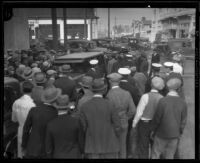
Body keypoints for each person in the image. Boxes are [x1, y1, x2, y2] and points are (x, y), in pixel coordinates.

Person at [79, 79, 120, 159]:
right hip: (110, 144)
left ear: (92, 90)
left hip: (92, 145)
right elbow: (117, 125)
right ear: (104, 90)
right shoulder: (110, 104)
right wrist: (115, 136)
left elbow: (83, 127)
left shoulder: (85, 106)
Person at [151, 78, 187, 159]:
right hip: (174, 134)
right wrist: (179, 132)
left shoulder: (162, 101)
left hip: (161, 134)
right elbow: (183, 121)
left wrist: (153, 130)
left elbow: (157, 119)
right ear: (178, 89)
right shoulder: (183, 103)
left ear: (168, 88)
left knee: (156, 154)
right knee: (170, 156)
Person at [22, 86, 61, 158]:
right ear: (55, 99)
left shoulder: (34, 110)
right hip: (47, 150)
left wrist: (23, 145)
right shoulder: (55, 112)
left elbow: (26, 129)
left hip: (32, 147)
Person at [132, 77, 165, 159]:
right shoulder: (162, 98)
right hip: (156, 125)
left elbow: (139, 113)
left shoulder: (145, 96)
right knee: (155, 147)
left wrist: (134, 123)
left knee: (143, 146)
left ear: (151, 85)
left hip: (144, 124)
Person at [106, 73, 136, 158]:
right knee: (123, 146)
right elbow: (133, 110)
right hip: (124, 122)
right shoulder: (127, 93)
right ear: (119, 81)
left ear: (110, 81)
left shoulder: (109, 95)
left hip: (113, 124)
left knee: (114, 146)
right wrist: (126, 117)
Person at [12, 81, 36, 158]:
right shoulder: (33, 104)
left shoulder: (16, 102)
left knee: (21, 155)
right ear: (32, 90)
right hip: (30, 133)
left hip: (21, 130)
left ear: (21, 90)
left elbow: (14, 119)